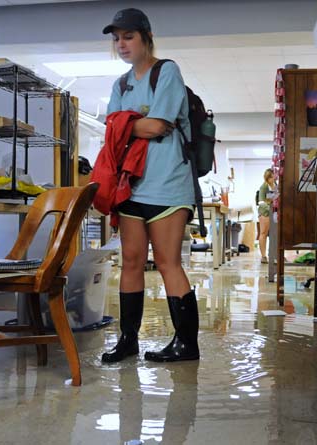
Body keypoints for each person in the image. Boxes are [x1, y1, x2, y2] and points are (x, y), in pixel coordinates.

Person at [100, 8, 199, 364]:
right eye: (116, 39)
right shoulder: (121, 84)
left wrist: (125, 123)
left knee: (168, 262)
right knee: (130, 261)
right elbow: (112, 131)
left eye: (128, 37)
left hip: (168, 184)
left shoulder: (166, 71)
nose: (121, 44)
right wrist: (133, 124)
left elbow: (158, 127)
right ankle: (128, 341)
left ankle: (187, 344)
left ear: (146, 37)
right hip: (131, 187)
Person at [257, 168, 276, 264]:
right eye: (271, 177)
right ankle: (263, 256)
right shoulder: (264, 187)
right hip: (265, 212)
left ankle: (273, 254)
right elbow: (260, 202)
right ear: (267, 178)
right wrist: (269, 207)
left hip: (273, 211)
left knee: (274, 234)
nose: (273, 178)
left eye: (274, 176)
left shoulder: (275, 185)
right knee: (263, 233)